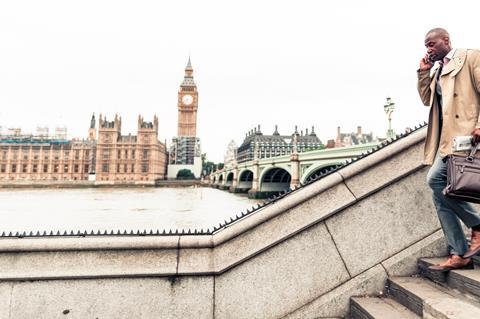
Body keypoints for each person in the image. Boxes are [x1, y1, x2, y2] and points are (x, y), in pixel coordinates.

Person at [418, 28, 480, 271]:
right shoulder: (437, 71)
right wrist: (423, 73)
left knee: (435, 181)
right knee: (440, 193)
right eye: (426, 45)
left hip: (468, 138)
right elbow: (426, 100)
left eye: (432, 44)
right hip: (447, 142)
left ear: (446, 41)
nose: (428, 49)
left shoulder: (470, 58)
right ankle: (460, 253)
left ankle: (477, 226)